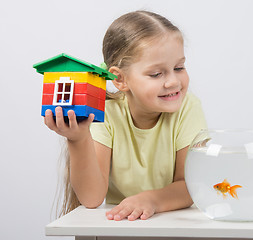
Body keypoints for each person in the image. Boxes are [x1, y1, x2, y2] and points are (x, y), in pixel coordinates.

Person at [44, 10, 207, 221]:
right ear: (120, 79)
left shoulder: (188, 108)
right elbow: (92, 198)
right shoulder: (106, 112)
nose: (174, 82)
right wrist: (77, 139)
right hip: (123, 226)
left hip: (178, 224)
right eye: (156, 74)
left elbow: (190, 185)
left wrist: (151, 200)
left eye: (179, 67)